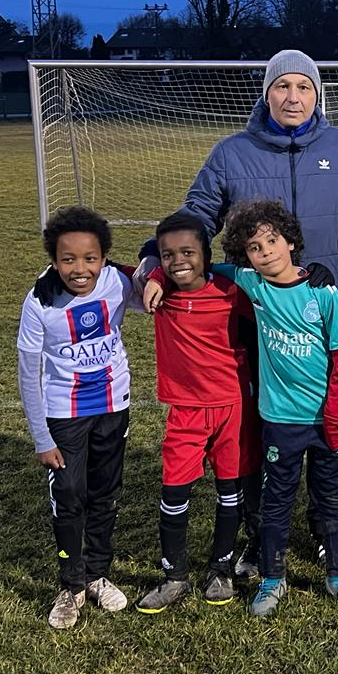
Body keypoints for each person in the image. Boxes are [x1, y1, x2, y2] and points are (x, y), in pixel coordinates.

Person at [134, 48, 338, 576]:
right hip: (253, 319)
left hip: (327, 317)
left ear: (318, 94)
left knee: (327, 424)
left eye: (304, 87)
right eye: (283, 87)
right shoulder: (232, 153)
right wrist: (154, 257)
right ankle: (262, 531)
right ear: (266, 92)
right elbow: (195, 216)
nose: (293, 97)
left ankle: (327, 531)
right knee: (261, 427)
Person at [147, 200, 338, 615]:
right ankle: (272, 578)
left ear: (291, 242)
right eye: (254, 246)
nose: (265, 251)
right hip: (280, 421)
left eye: (272, 241)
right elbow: (198, 267)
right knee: (276, 503)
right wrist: (159, 272)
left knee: (333, 501)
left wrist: (336, 416)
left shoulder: (323, 293)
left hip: (325, 422)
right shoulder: (253, 284)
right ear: (244, 254)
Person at [17, 207, 139, 629]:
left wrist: (154, 271)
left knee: (105, 492)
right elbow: (28, 371)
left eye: (90, 258)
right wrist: (40, 437)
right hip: (63, 412)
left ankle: (97, 574)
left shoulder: (118, 281)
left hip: (112, 405)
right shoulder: (40, 300)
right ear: (53, 260)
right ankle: (69, 585)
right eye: (68, 259)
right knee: (69, 493)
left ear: (104, 257)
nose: (80, 268)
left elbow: (155, 282)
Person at [135, 213, 261, 614]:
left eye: (188, 252)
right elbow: (108, 268)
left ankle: (220, 568)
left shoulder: (233, 292)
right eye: (168, 255)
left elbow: (278, 292)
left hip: (233, 407)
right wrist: (154, 273)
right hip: (185, 411)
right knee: (174, 491)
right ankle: (174, 576)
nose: (178, 261)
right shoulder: (160, 292)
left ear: (206, 255)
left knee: (229, 491)